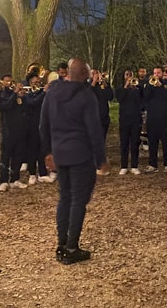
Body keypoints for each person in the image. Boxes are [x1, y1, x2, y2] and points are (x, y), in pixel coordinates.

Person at [40, 58, 109, 265]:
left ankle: (61, 244)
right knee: (78, 200)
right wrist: (101, 159)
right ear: (85, 75)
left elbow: (43, 123)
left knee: (65, 198)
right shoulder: (87, 96)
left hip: (60, 153)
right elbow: (94, 131)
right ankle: (71, 247)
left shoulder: (53, 91)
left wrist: (48, 152)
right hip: (81, 155)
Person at [0, 75, 30, 191]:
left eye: (11, 80)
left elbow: (25, 108)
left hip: (20, 129)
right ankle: (3, 180)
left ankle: (15, 179)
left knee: (18, 155)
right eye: (6, 80)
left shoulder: (16, 94)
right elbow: (5, 106)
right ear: (3, 82)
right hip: (8, 130)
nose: (9, 82)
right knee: (6, 156)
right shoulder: (2, 94)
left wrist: (23, 97)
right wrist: (14, 93)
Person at [143, 67, 167, 173]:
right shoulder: (149, 84)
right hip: (152, 117)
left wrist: (160, 86)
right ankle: (153, 164)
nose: (156, 75)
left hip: (165, 117)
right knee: (152, 142)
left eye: (158, 73)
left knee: (166, 142)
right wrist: (151, 86)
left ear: (162, 73)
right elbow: (146, 97)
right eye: (155, 73)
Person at [115, 69, 143, 175]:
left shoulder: (138, 88)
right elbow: (120, 98)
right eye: (127, 74)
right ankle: (124, 166)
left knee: (135, 143)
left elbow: (141, 100)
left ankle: (135, 166)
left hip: (135, 119)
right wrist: (126, 86)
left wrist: (135, 88)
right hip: (124, 119)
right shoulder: (120, 89)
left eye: (130, 75)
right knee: (124, 143)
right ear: (124, 77)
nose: (129, 76)